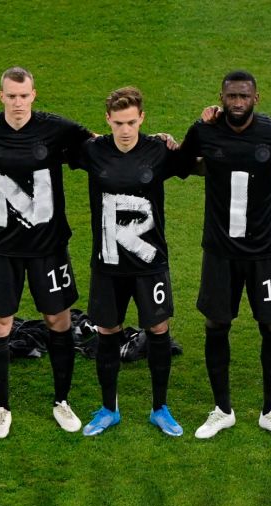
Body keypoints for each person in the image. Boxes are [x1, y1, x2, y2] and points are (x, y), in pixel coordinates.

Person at [0, 67, 94, 438]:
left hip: (48, 248)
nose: (18, 103)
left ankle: (62, 401)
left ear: (34, 95)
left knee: (58, 321)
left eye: (24, 95)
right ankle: (1, 409)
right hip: (2, 248)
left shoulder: (58, 128)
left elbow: (99, 145)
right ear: (1, 96)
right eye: (11, 96)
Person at [180, 70, 271, 440]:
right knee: (216, 324)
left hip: (266, 252)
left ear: (256, 98)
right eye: (231, 96)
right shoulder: (203, 131)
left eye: (244, 96)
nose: (237, 103)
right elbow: (181, 165)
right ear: (221, 97)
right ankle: (222, 410)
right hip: (220, 252)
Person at [72, 87, 193, 436]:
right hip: (107, 265)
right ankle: (109, 409)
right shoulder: (93, 151)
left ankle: (160, 408)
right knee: (107, 333)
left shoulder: (158, 150)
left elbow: (194, 163)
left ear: (142, 118)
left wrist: (180, 139)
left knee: (158, 330)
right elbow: (55, 146)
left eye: (131, 122)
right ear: (107, 120)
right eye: (118, 122)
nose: (125, 130)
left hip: (150, 264)